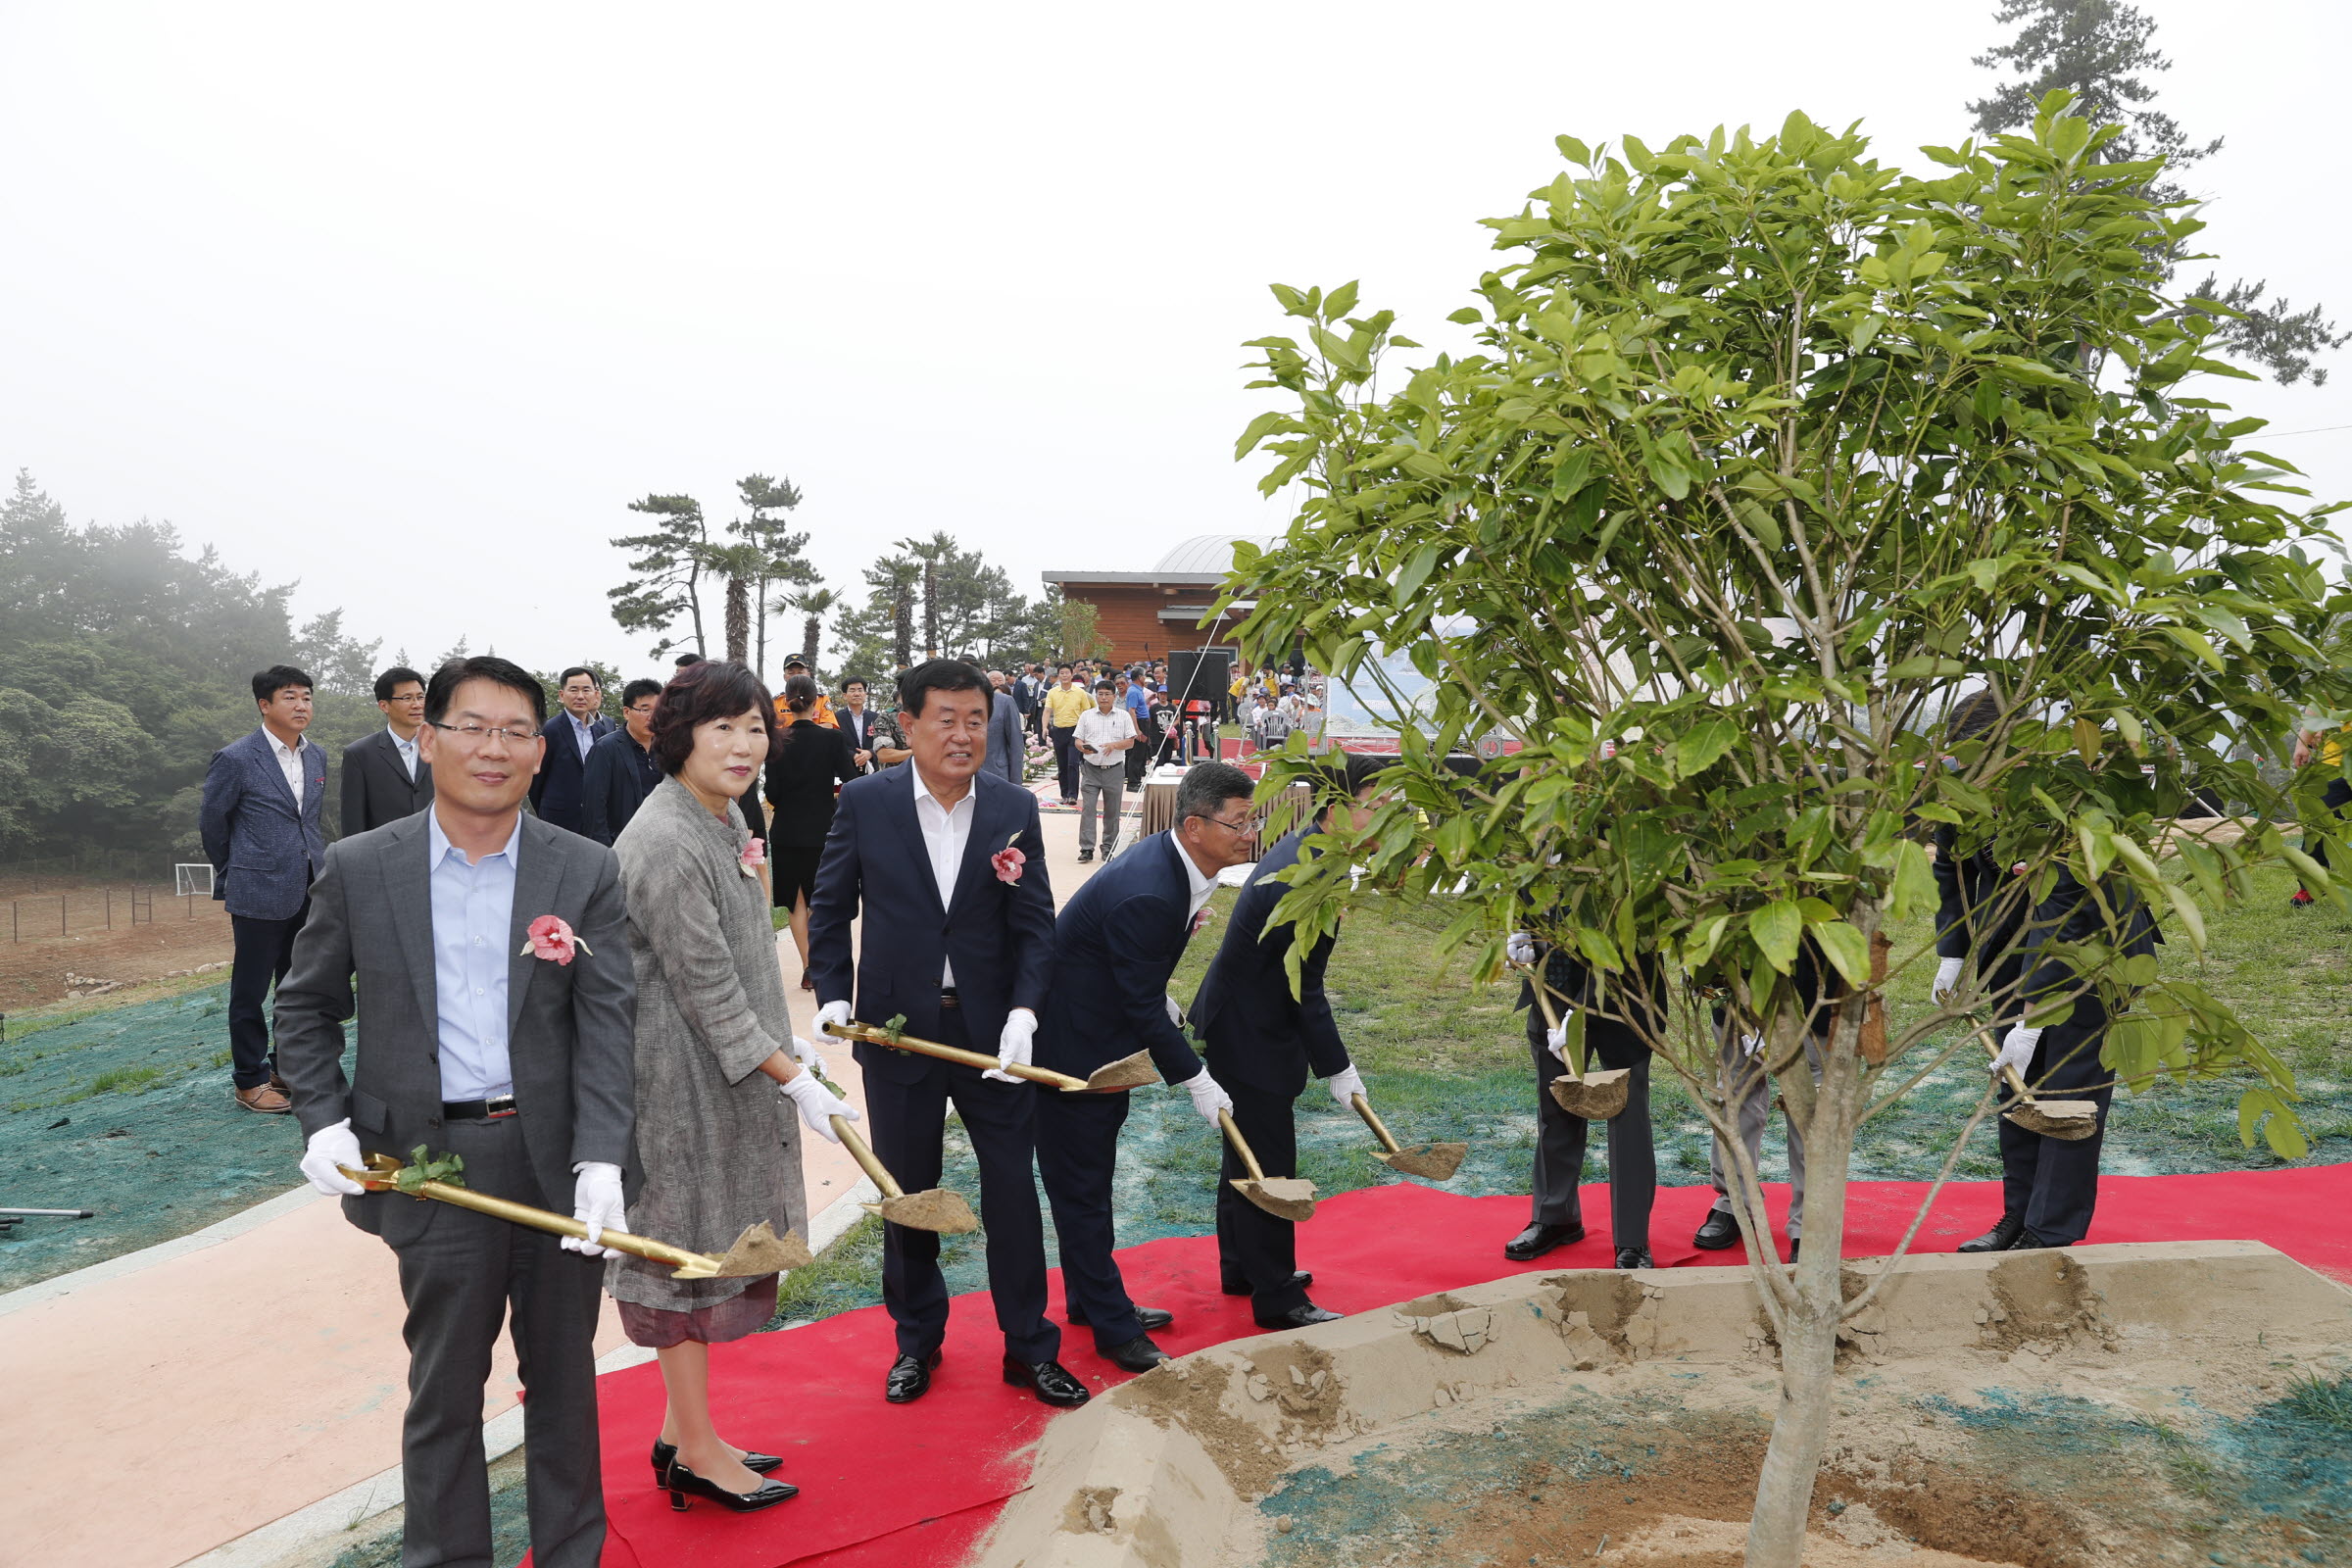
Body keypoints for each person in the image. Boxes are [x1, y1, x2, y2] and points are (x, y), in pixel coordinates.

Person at [276, 655, 635, 1568]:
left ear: (540, 754)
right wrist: (323, 1117)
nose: (494, 748)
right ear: (428, 737)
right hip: (428, 1167)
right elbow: (305, 1005)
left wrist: (602, 1155)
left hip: (551, 1161)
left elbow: (606, 1022)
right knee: (444, 1390)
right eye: (472, 726)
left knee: (563, 1384)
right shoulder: (362, 866)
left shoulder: (583, 867)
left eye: (517, 731)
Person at [609, 660, 856, 1513]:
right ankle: (697, 1451)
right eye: (723, 728)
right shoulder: (663, 840)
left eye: (755, 727)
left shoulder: (728, 811)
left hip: (732, 1062)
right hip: (678, 1081)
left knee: (713, 1240)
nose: (744, 744)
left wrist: (781, 1036)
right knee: (683, 1256)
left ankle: (687, 1434)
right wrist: (796, 1079)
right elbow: (705, 989)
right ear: (678, 735)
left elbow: (743, 955)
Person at [808, 659, 1081, 1408]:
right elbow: (830, 908)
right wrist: (833, 992)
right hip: (900, 1037)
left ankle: (1028, 1346)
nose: (963, 736)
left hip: (995, 1039)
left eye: (976, 721)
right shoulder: (867, 802)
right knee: (910, 1195)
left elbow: (1035, 926)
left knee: (1013, 1197)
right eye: (947, 719)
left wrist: (1026, 1012)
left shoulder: (1012, 806)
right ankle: (916, 1342)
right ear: (909, 724)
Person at [1036, 762, 1255, 1370]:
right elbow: (1138, 1005)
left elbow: (1135, 979)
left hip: (1101, 1038)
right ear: (1193, 825)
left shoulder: (1174, 866)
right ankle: (1111, 1328)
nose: (1249, 833)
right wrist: (1196, 1079)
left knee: (1091, 1180)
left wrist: (1156, 993)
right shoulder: (1152, 889)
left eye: (1251, 819)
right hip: (1072, 1053)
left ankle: (1090, 1300)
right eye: (1238, 822)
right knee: (1080, 1190)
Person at [1190, 754, 1389, 1329]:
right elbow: (1305, 985)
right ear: (1337, 808)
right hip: (1249, 1027)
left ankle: (1242, 1266)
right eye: (1375, 806)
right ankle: (1277, 1297)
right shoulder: (1311, 870)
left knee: (1245, 1150)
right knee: (1268, 1161)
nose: (1386, 819)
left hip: (1245, 1014)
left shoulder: (1317, 851)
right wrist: (1338, 1066)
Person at [200, 663, 329, 1113]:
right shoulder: (236, 757)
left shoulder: (317, 756)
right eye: (290, 697)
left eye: (307, 697)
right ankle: (249, 1080)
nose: (301, 705)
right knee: (250, 990)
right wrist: (237, 869)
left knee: (297, 988)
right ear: (265, 704)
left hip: (310, 885)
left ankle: (285, 1069)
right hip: (257, 889)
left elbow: (306, 822)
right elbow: (213, 823)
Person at [1502, 934, 1660, 1270]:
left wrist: (1582, 1010)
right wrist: (1522, 939)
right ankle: (1555, 1216)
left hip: (1622, 994)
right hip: (1554, 989)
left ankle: (1632, 1239)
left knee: (1625, 1112)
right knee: (1555, 1103)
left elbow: (1623, 937)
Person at [765, 674, 860, 986]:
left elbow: (773, 794)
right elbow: (849, 779)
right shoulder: (831, 739)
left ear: (787, 703)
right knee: (822, 899)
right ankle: (823, 962)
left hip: (787, 831)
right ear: (816, 701)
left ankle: (809, 967)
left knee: (797, 901)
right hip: (824, 828)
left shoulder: (777, 741)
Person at [340, 665, 433, 837]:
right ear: (384, 705)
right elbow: (353, 821)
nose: (417, 705)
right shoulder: (360, 754)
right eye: (407, 698)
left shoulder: (442, 747)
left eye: (420, 697)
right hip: (383, 856)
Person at [531, 666, 614, 834]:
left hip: (594, 823)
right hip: (558, 822)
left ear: (595, 694)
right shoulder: (549, 730)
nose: (580, 696)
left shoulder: (600, 731)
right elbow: (535, 781)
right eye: (574, 690)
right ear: (562, 695)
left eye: (586, 690)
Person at [581, 679, 663, 846]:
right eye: (645, 710)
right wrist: (607, 852)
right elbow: (594, 808)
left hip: (659, 842)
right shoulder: (605, 749)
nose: (652, 717)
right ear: (627, 712)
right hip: (622, 845)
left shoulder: (666, 748)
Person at [2290, 714, 2352, 907]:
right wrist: (2303, 742)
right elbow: (2316, 709)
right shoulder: (2335, 683)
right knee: (2317, 819)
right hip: (2337, 763)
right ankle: (2312, 884)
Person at [1073, 679, 1138, 863]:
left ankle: (1109, 847)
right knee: (1088, 809)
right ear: (1096, 696)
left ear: (1114, 696)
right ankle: (1086, 848)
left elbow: (1131, 741)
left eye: (1107, 694)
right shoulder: (1087, 716)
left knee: (1112, 811)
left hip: (1114, 769)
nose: (1103, 698)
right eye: (1100, 694)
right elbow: (1077, 739)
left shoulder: (1124, 716)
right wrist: (1082, 747)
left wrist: (1114, 745)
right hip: (1090, 769)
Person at [834, 676, 907, 773]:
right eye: (852, 690)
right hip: (845, 770)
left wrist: (870, 753)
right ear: (844, 695)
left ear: (865, 694)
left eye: (860, 690)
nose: (856, 694)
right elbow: (835, 744)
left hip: (873, 770)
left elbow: (886, 742)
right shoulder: (835, 718)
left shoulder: (878, 717)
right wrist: (853, 755)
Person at [1043, 663, 1090, 805]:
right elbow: (1047, 711)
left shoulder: (1080, 692)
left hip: (1075, 731)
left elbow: (1086, 713)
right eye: (1061, 673)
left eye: (1067, 673)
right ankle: (1064, 794)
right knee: (1062, 765)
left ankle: (1073, 795)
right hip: (1058, 730)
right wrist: (1044, 727)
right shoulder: (1053, 692)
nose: (1064, 675)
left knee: (1073, 763)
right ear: (1059, 676)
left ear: (1071, 674)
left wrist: (1086, 731)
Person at [986, 668, 1027, 787]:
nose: (997, 683)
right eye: (993, 680)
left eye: (999, 680)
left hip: (997, 772)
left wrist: (1015, 782)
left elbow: (1015, 743)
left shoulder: (1005, 702)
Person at [1116, 672, 1154, 790]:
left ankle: (1137, 780)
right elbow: (1131, 711)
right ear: (1139, 677)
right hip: (1139, 722)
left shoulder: (1138, 690)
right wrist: (1137, 730)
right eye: (1143, 676)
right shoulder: (1133, 691)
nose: (1145, 679)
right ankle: (1132, 783)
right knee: (1136, 754)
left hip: (1142, 722)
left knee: (1141, 754)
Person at [774, 657, 835, 729]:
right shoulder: (776, 702)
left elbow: (829, 725)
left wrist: (802, 729)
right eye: (791, 673)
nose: (796, 676)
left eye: (800, 672)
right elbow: (774, 730)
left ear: (808, 675)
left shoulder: (821, 700)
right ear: (785, 677)